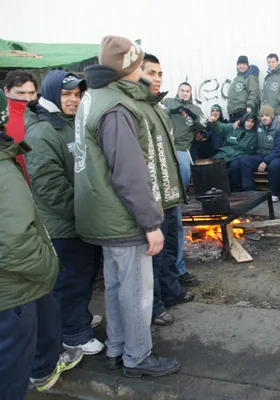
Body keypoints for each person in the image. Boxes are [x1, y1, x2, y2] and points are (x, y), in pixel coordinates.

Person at [74, 35, 180, 377]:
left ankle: (118, 347)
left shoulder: (94, 98)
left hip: (102, 214)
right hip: (122, 218)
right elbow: (129, 173)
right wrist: (151, 223)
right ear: (126, 70)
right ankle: (137, 357)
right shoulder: (117, 109)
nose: (144, 73)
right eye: (138, 66)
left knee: (117, 286)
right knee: (136, 292)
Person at [0, 89, 83, 398]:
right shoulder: (4, 168)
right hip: (13, 292)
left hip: (18, 286)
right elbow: (15, 240)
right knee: (10, 377)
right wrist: (47, 267)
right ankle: (43, 369)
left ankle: (45, 368)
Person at [24, 70, 104, 356]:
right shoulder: (43, 130)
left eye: (78, 94)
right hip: (64, 225)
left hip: (82, 219)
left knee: (85, 274)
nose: (74, 100)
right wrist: (81, 212)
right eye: (67, 94)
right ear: (51, 94)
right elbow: (48, 185)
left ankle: (76, 317)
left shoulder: (69, 122)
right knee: (71, 280)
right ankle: (73, 333)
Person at [138, 54, 195, 327]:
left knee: (171, 246)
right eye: (151, 72)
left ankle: (172, 292)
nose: (157, 78)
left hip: (170, 194)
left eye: (160, 73)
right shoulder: (136, 108)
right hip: (154, 198)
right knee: (155, 256)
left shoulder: (159, 108)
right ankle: (155, 306)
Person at [162, 83, 202, 287]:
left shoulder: (195, 109)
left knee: (181, 186)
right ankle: (172, 269)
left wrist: (195, 120)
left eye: (188, 91)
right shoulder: (167, 103)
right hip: (166, 150)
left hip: (183, 150)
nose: (185, 93)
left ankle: (180, 196)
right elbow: (161, 112)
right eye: (182, 90)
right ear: (178, 91)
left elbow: (203, 129)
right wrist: (174, 110)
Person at [239, 105, 280, 202]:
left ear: (272, 116)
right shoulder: (259, 125)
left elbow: (279, 149)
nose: (264, 118)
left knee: (274, 166)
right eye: (262, 116)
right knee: (244, 161)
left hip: (279, 156)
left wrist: (265, 161)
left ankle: (274, 194)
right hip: (262, 154)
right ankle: (251, 192)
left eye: (266, 115)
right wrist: (238, 122)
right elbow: (248, 122)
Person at [208, 112, 258, 192]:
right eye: (247, 121)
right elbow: (221, 127)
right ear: (243, 121)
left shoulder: (255, 133)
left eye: (252, 122)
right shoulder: (234, 127)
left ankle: (234, 190)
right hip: (226, 153)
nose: (249, 124)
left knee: (235, 167)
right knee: (212, 164)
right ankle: (213, 189)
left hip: (240, 155)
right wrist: (215, 122)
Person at [4, 69, 38, 181]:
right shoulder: (3, 120)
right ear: (7, 92)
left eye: (32, 93)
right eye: (20, 93)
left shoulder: (44, 116)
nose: (27, 99)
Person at [227, 55, 260, 121]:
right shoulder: (236, 78)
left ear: (247, 66)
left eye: (244, 64)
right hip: (233, 114)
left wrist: (250, 106)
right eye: (240, 64)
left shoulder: (250, 77)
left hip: (243, 112)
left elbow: (254, 92)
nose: (242, 66)